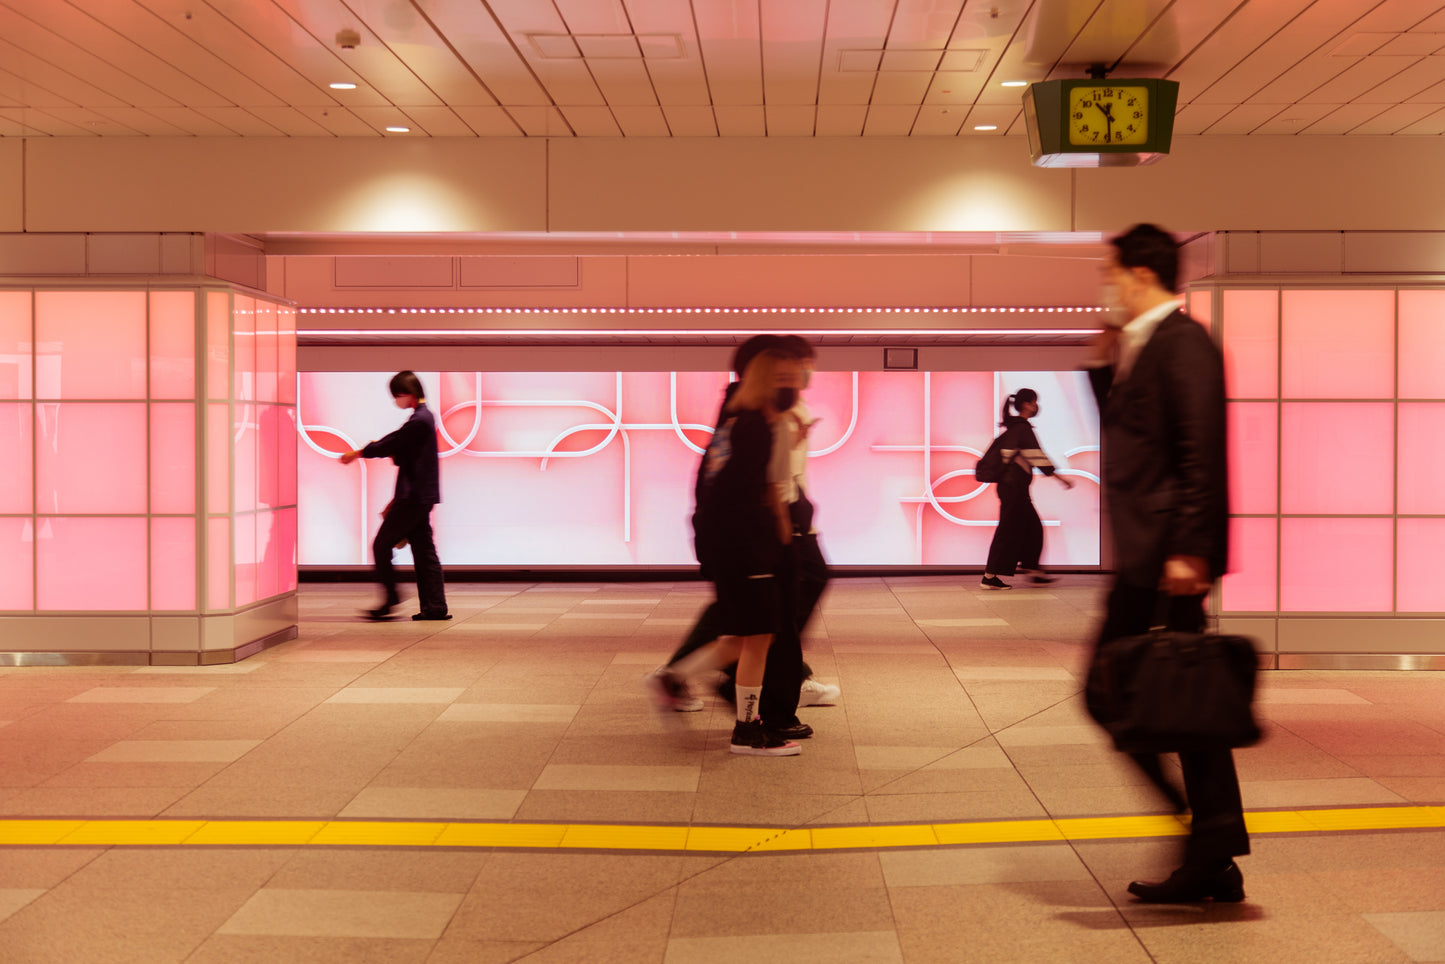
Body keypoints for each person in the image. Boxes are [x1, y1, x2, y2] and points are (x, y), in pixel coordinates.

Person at [1085, 224, 1246, 903]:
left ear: (1141, 274)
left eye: (1110, 272)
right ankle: (1211, 845)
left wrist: (1190, 549)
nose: (1105, 284)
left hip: (1164, 559)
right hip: (1146, 557)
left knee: (1115, 694)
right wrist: (1102, 367)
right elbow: (1138, 440)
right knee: (1178, 705)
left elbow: (1198, 452)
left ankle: (1206, 838)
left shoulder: (1183, 344)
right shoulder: (1142, 345)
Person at [654, 348, 801, 756]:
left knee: (743, 636)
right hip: (748, 549)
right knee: (758, 638)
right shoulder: (758, 427)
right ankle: (747, 730)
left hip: (727, 547)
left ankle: (677, 677)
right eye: (784, 378)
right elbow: (765, 493)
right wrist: (782, 543)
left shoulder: (732, 422)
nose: (794, 385)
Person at [339, 371, 450, 622]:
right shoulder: (425, 418)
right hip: (420, 496)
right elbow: (404, 453)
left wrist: (359, 452)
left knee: (382, 545)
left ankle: (391, 597)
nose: (395, 401)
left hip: (413, 497)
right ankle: (434, 607)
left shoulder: (419, 420)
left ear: (406, 394)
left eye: (397, 396)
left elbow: (393, 443)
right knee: (424, 551)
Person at [980, 388, 1074, 590]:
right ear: (1025, 405)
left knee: (1032, 529)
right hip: (1013, 489)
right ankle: (989, 576)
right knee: (1007, 531)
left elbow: (1033, 457)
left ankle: (1033, 570)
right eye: (1033, 402)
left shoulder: (1016, 429)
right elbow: (1038, 457)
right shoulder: (1022, 429)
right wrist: (1061, 479)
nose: (1035, 406)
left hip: (1014, 489)